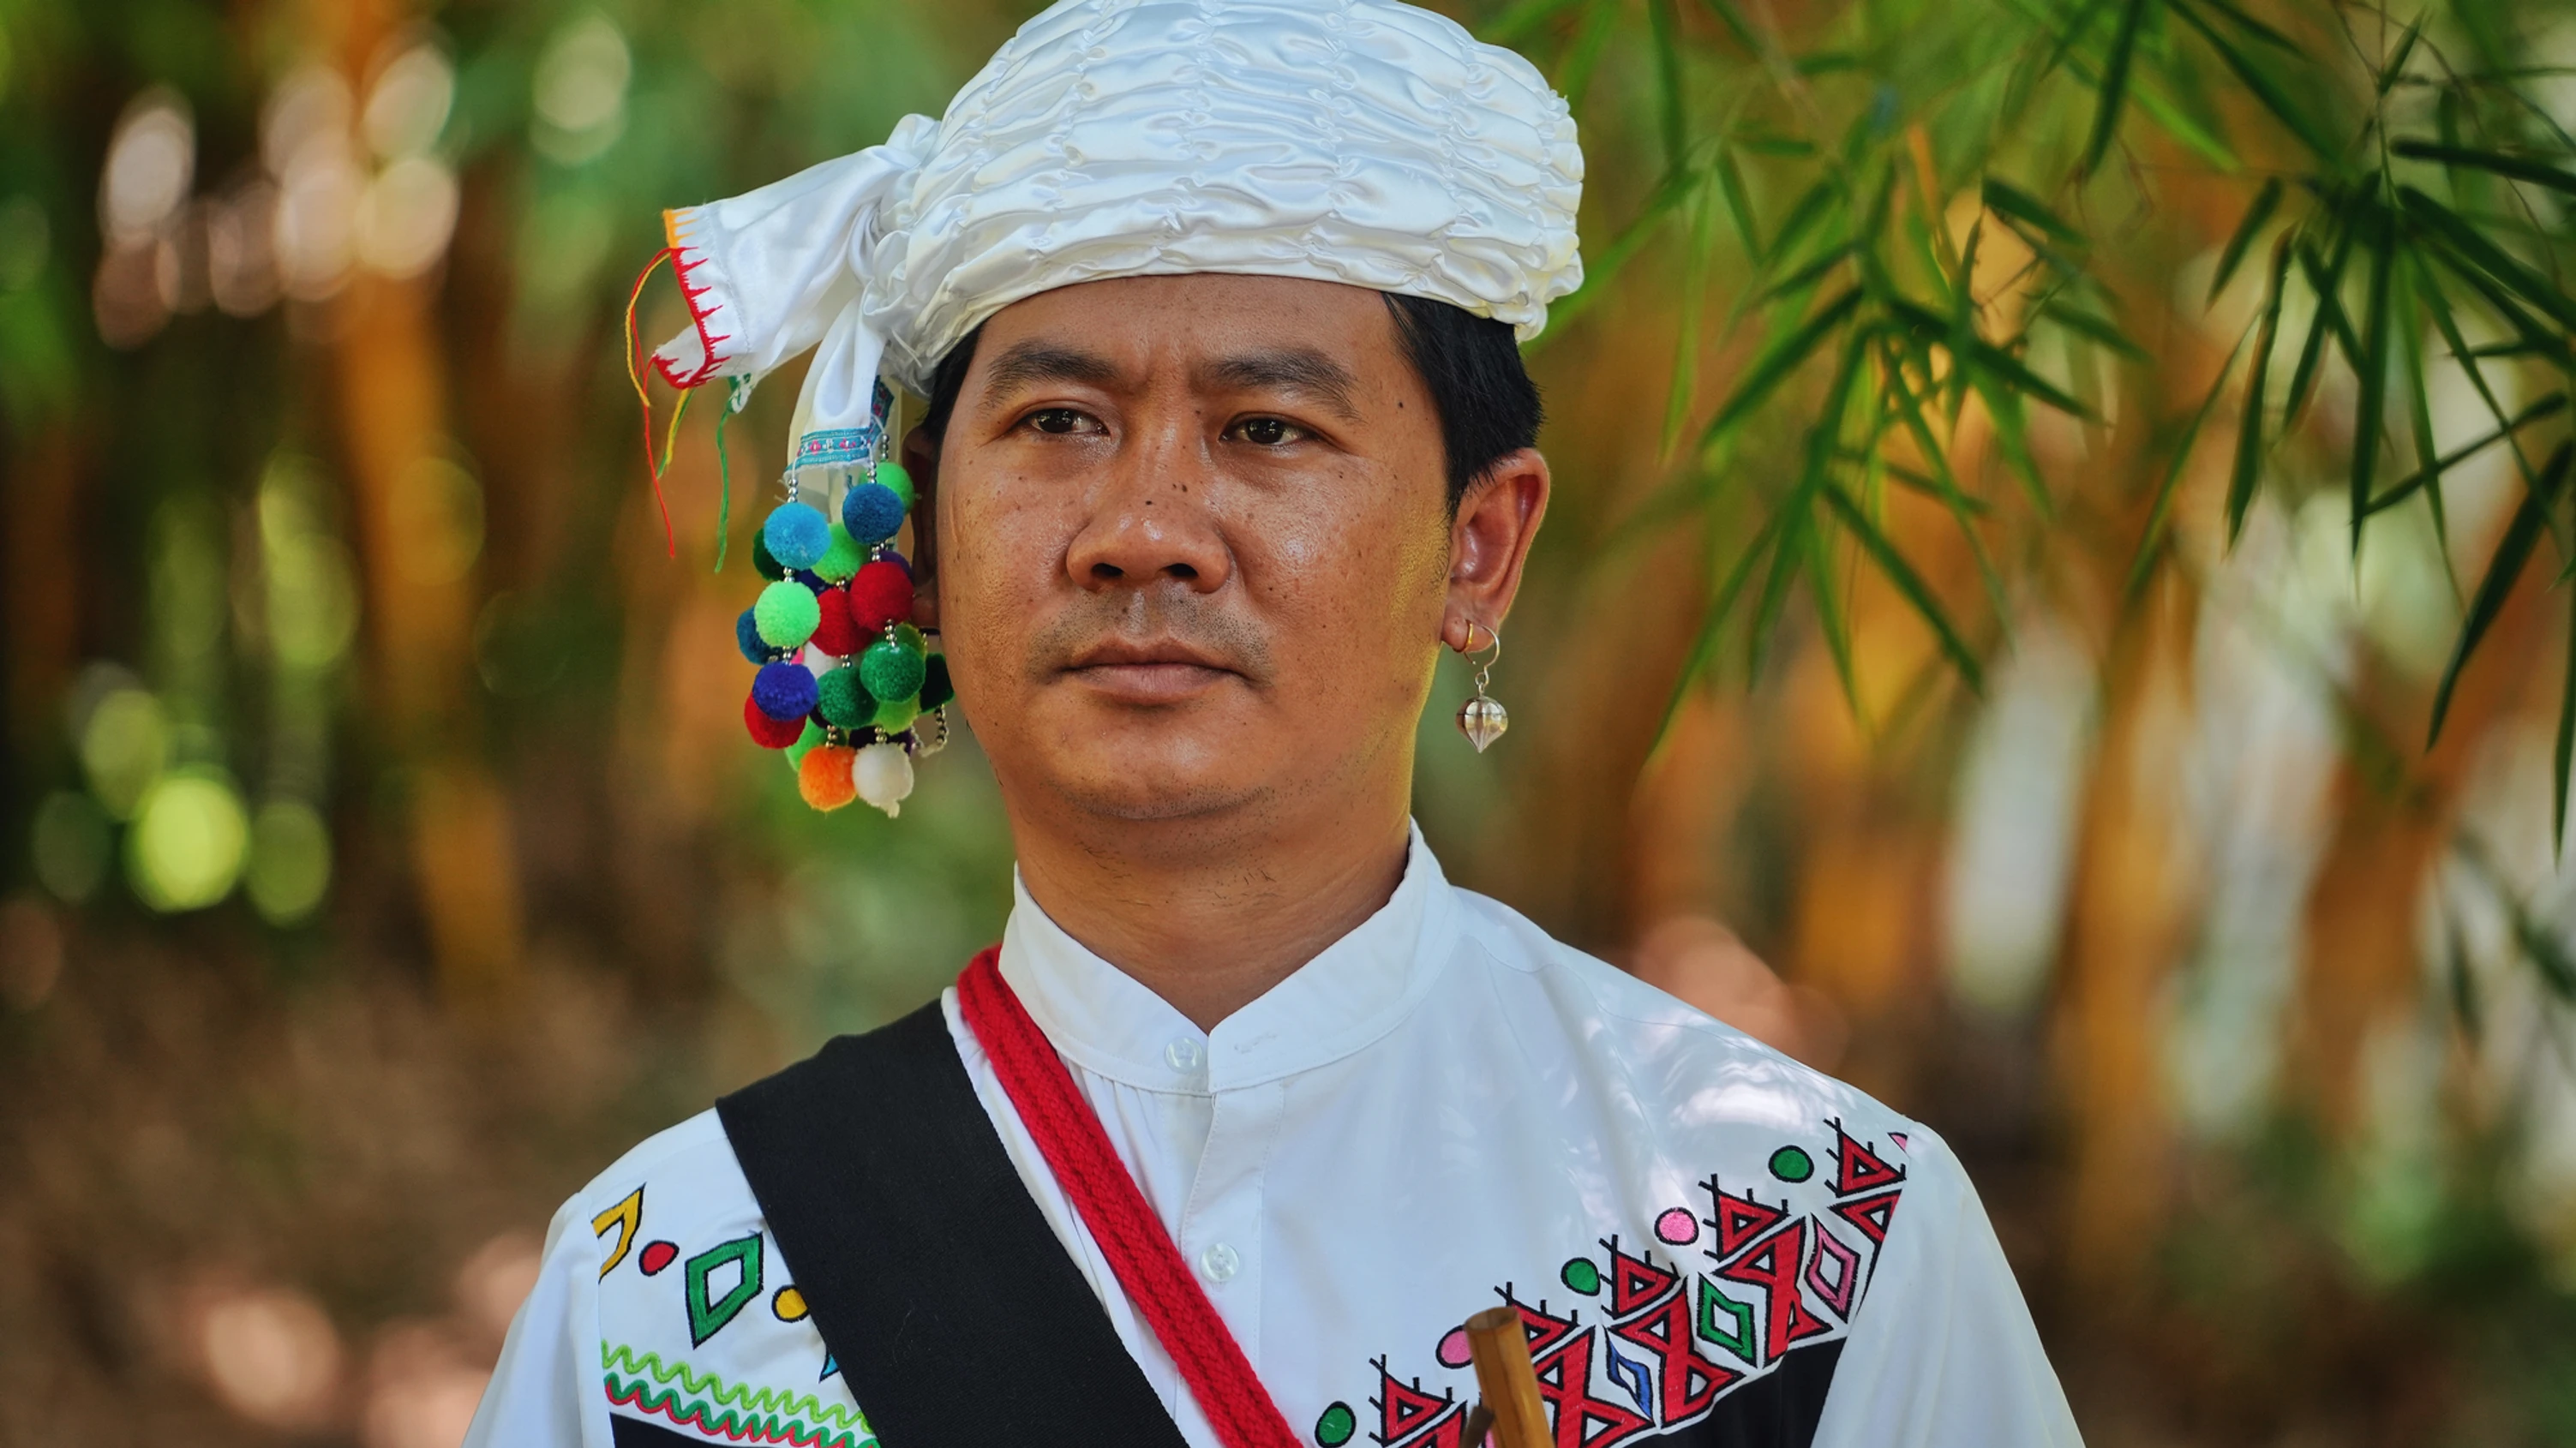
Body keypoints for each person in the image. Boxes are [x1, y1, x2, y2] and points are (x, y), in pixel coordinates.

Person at [464, 2, 2083, 1445]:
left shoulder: (1821, 1246)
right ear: (927, 546)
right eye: (1058, 419)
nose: (1142, 530)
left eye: (1265, 428)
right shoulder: (668, 1292)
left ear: (1477, 546)